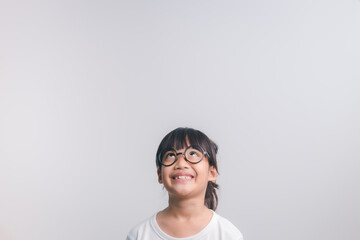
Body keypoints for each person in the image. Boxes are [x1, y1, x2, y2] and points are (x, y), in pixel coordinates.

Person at [126, 127, 243, 240]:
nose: (181, 164)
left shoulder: (228, 235)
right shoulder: (139, 234)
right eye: (170, 155)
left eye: (193, 153)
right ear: (160, 175)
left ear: (211, 173)